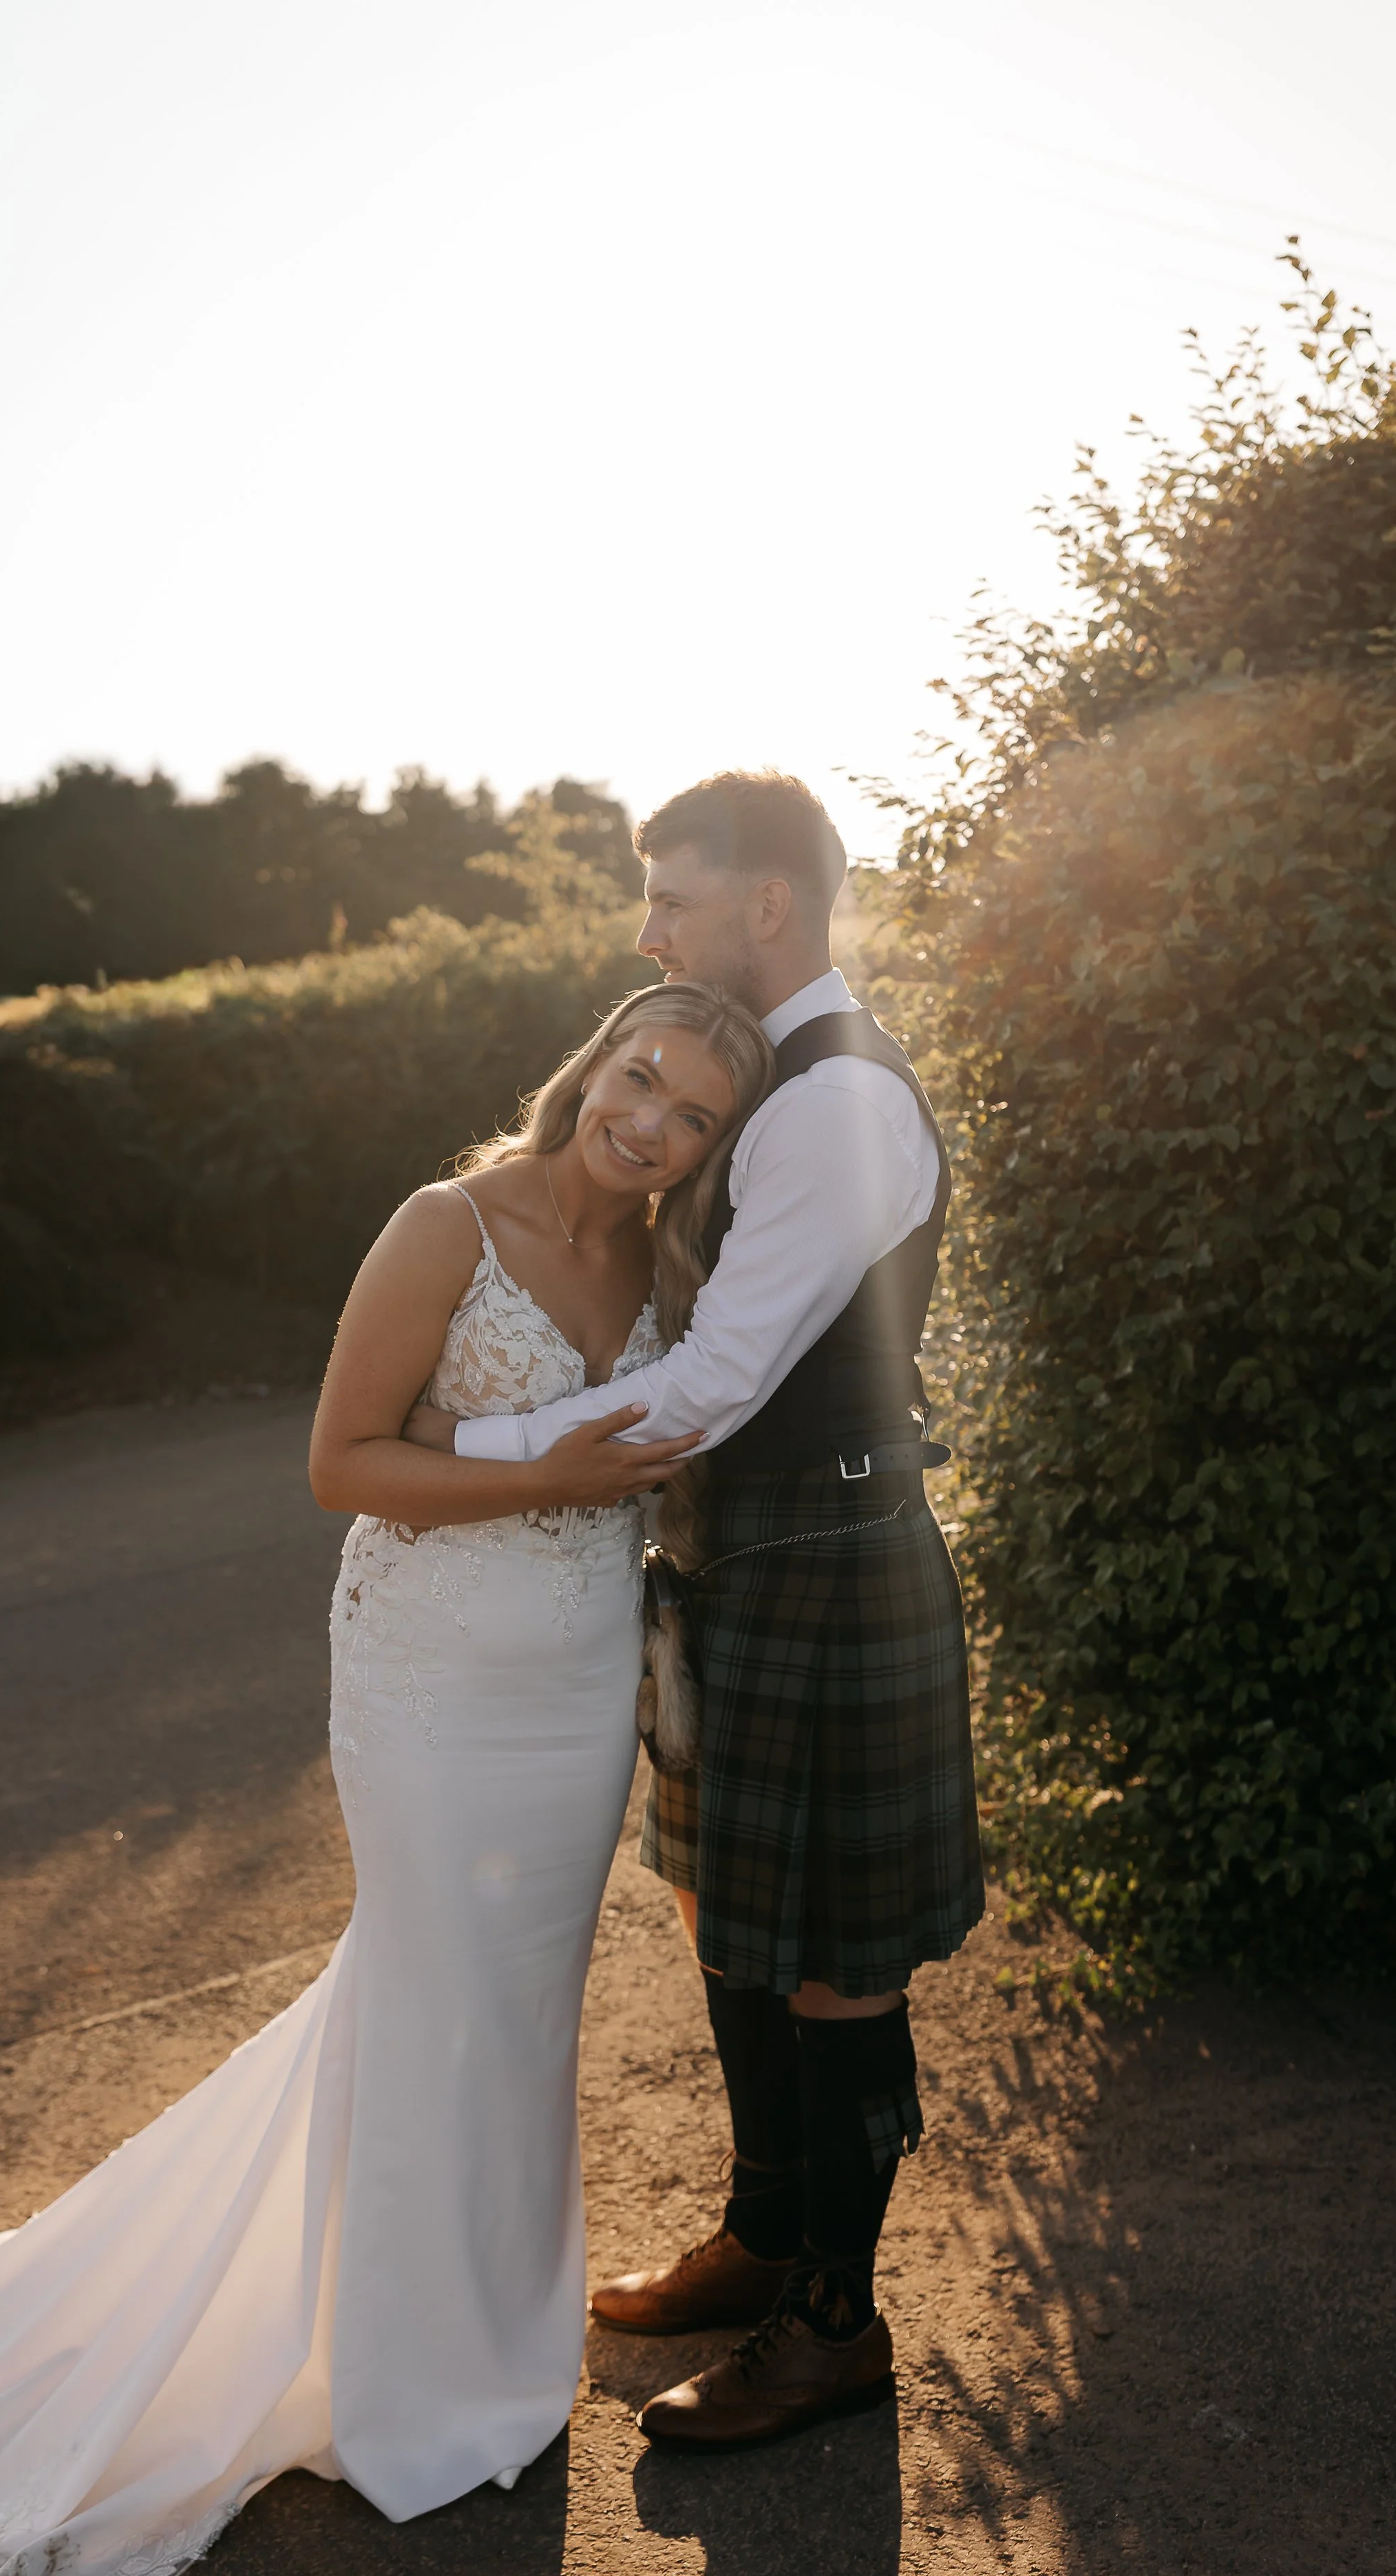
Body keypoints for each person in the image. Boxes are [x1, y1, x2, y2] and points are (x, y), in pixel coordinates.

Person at [0, 979, 771, 2571]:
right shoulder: (443, 1225)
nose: (651, 1127)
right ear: (590, 1064)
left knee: (517, 2007)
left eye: (692, 1115)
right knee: (431, 1990)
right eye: (640, 1079)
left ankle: (490, 2341)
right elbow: (340, 1462)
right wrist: (546, 1466)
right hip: (422, 1678)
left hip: (568, 1682)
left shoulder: (669, 1256)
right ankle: (406, 2388)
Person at [413, 770, 985, 2449]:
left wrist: (462, 1447)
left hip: (827, 1555)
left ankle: (833, 2319)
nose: (644, 932)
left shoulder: (832, 1105)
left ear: (768, 911)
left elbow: (714, 1387)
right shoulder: (770, 1089)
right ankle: (765, 2232)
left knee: (834, 1966)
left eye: (669, 897)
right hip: (749, 1563)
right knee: (732, 1918)